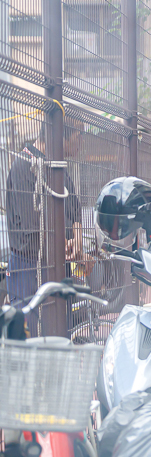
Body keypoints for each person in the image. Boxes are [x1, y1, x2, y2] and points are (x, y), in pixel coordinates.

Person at [4, 128, 83, 333]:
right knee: (28, 336)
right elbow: (34, 226)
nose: (80, 143)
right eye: (78, 136)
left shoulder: (57, 168)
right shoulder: (24, 165)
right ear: (60, 136)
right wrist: (66, 245)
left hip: (56, 263)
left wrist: (78, 238)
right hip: (28, 265)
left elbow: (75, 209)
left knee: (59, 332)